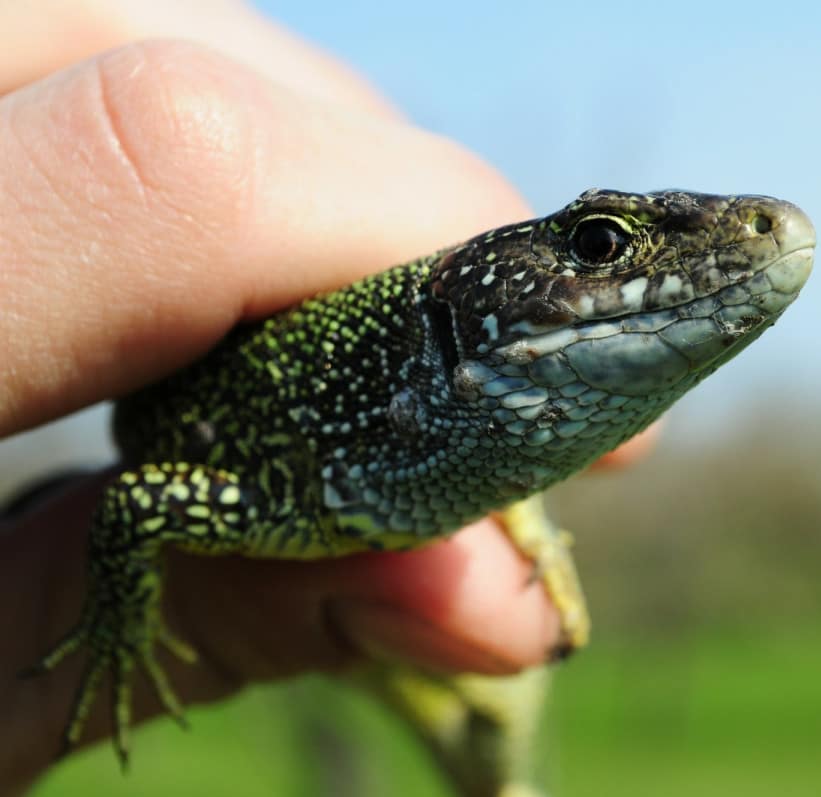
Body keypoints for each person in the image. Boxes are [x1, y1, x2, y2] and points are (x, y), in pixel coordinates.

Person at [0, 2, 655, 791]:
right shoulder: (276, 493)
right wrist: (120, 624)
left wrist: (524, 509)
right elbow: (135, 505)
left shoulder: (486, 424)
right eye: (598, 245)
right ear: (458, 322)